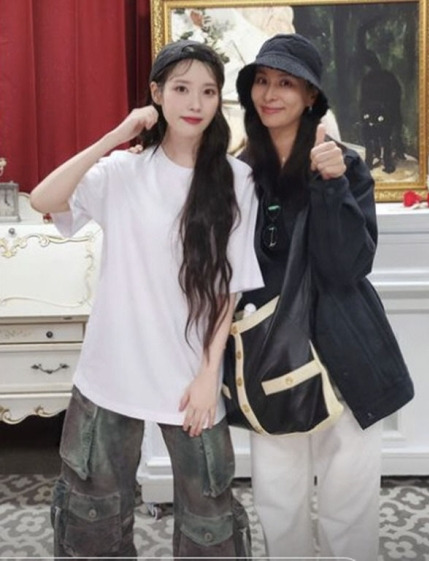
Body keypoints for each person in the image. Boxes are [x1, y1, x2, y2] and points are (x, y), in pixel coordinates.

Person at [30, 40, 264, 559]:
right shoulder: (122, 172)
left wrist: (208, 376)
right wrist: (116, 135)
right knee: (93, 523)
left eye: (208, 91)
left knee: (210, 526)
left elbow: (228, 288)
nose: (195, 103)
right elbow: (44, 198)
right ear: (156, 94)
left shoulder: (236, 180)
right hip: (110, 374)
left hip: (189, 380)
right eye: (181, 89)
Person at [234, 33, 414, 561]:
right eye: (262, 81)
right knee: (279, 502)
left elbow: (346, 267)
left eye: (285, 83)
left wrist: (330, 184)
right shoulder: (239, 173)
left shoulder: (345, 166)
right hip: (273, 358)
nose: (270, 94)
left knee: (348, 506)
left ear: (311, 94)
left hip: (346, 352)